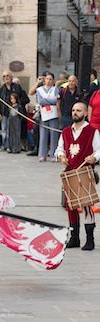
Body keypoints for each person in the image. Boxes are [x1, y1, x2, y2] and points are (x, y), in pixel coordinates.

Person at [55, 102, 100, 251]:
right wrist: (62, 157)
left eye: (78, 110)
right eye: (73, 110)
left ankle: (90, 240)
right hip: (70, 172)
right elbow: (59, 148)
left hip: (85, 172)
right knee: (70, 206)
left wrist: (94, 158)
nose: (75, 112)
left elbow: (99, 150)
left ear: (85, 113)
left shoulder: (92, 131)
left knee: (87, 204)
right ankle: (74, 238)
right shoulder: (66, 131)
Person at [0, 70, 28, 151]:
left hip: (14, 112)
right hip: (5, 112)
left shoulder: (17, 87)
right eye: (4, 76)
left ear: (11, 77)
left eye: (7, 75)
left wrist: (17, 104)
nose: (6, 77)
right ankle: (4, 145)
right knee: (4, 130)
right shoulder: (1, 89)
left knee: (13, 130)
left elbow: (24, 98)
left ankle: (11, 146)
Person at [36, 72, 60, 162]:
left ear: (53, 81)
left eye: (50, 79)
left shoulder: (55, 89)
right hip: (44, 114)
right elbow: (40, 101)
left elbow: (56, 100)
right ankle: (42, 154)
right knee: (43, 135)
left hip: (53, 114)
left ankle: (54, 154)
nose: (48, 81)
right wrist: (50, 100)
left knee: (54, 135)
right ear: (44, 80)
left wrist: (46, 100)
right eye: (47, 79)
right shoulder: (39, 90)